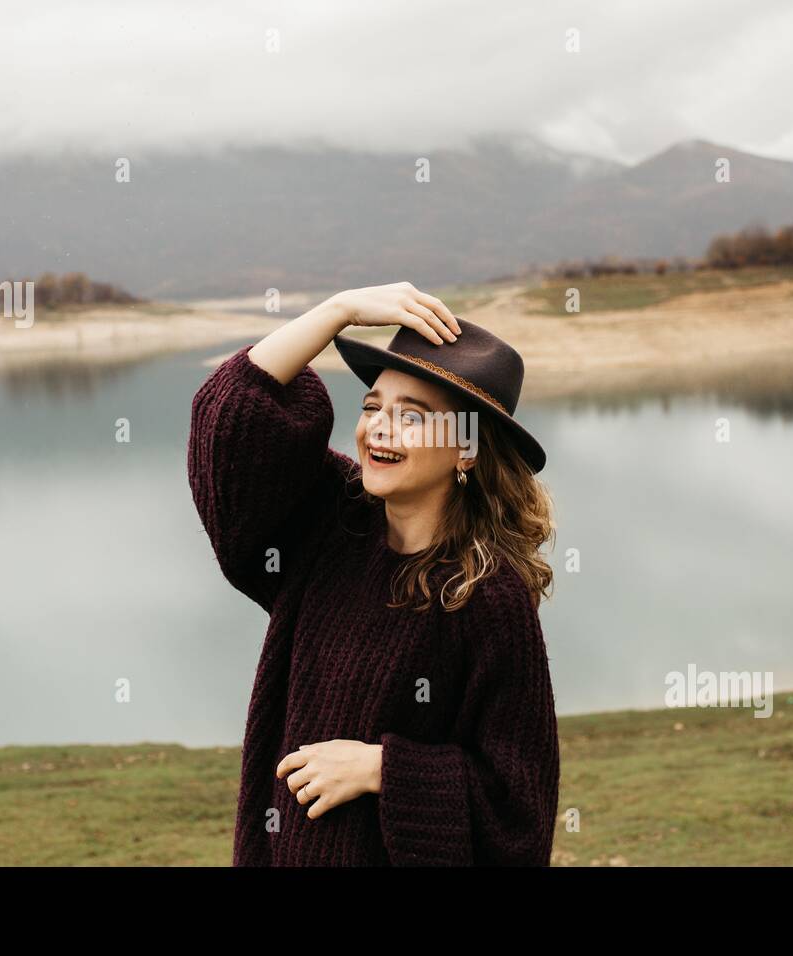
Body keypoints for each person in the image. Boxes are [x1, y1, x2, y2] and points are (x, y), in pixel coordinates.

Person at [187, 281, 560, 865]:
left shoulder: (488, 599)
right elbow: (230, 422)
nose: (378, 429)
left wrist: (383, 769)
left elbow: (518, 816)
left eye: (411, 416)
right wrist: (339, 311)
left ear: (467, 449)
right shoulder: (330, 526)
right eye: (372, 408)